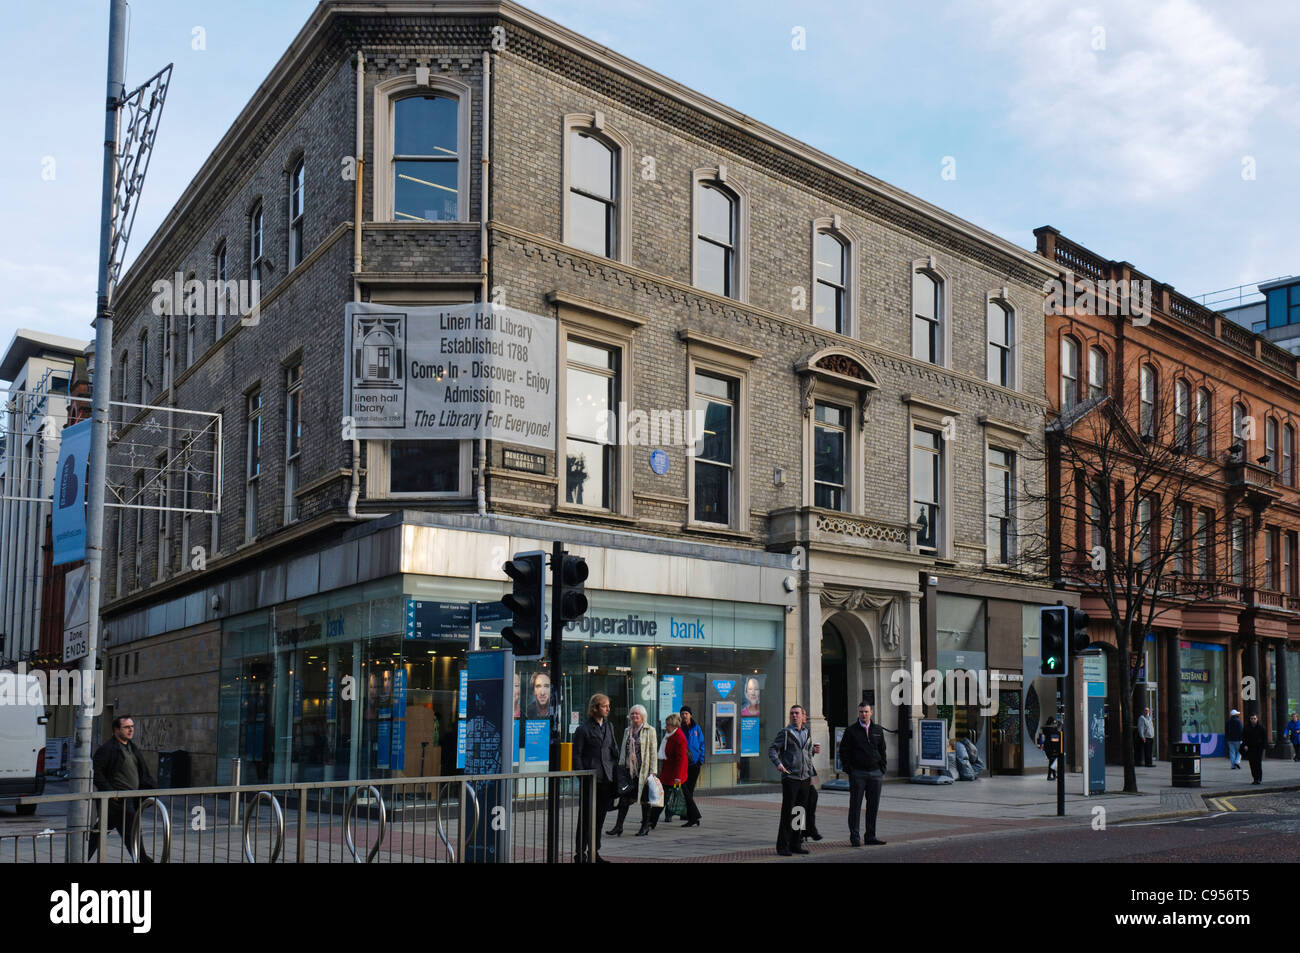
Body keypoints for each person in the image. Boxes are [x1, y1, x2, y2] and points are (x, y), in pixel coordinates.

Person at [88, 715, 156, 862]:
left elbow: (142, 770)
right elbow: (97, 772)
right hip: (118, 801)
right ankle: (143, 860)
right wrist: (111, 792)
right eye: (126, 727)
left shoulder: (132, 747)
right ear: (116, 730)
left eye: (132, 727)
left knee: (102, 833)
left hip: (129, 800)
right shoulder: (108, 749)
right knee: (130, 833)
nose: (131, 730)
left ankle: (79, 856)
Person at [573, 693, 618, 862]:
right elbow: (576, 755)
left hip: (606, 779)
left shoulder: (609, 726)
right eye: (604, 706)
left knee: (599, 818)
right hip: (590, 779)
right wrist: (582, 776)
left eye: (608, 706)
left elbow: (613, 748)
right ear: (595, 708)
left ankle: (594, 851)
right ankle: (580, 853)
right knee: (585, 818)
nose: (608, 709)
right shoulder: (583, 729)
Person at [768, 704, 818, 856]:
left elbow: (807, 754)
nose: (794, 716)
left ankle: (796, 843)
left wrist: (811, 764)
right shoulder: (785, 733)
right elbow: (772, 749)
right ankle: (782, 846)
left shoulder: (806, 732)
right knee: (788, 812)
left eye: (797, 713)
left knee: (800, 812)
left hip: (804, 778)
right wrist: (779, 764)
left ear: (803, 716)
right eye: (792, 713)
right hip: (791, 777)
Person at [838, 702, 888, 846]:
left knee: (873, 806)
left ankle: (870, 836)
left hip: (875, 773)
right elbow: (843, 751)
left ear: (871, 712)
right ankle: (854, 837)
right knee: (855, 806)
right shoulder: (851, 730)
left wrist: (882, 769)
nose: (863, 714)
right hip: (858, 774)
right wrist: (850, 770)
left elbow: (882, 750)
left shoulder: (878, 730)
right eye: (861, 712)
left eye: (866, 712)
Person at [608, 704, 658, 837]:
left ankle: (645, 826)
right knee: (624, 798)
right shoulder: (627, 730)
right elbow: (624, 750)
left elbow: (653, 752)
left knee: (645, 800)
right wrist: (620, 768)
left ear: (643, 716)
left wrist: (653, 771)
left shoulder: (650, 730)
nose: (635, 716)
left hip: (644, 771)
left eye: (637, 714)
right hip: (629, 771)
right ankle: (618, 826)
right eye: (633, 714)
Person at [649, 713, 689, 828]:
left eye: (668, 725)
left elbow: (681, 760)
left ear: (673, 725)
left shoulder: (679, 737)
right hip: (667, 772)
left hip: (673, 774)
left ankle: (652, 821)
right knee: (663, 797)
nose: (666, 727)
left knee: (661, 798)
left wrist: (678, 777)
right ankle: (695, 817)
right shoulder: (669, 735)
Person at [679, 706, 705, 827]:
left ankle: (691, 816)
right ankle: (689, 815)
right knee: (685, 790)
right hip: (683, 764)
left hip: (694, 763)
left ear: (690, 715)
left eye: (686, 713)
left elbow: (702, 744)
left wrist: (701, 760)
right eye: (682, 713)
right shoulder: (679, 728)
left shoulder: (696, 728)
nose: (684, 715)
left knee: (689, 790)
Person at [1240, 713, 1267, 784]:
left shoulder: (1261, 728)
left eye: (1254, 718)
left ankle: (1259, 778)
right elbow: (1243, 737)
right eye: (1251, 718)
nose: (1253, 720)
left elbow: (1265, 738)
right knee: (1252, 764)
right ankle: (1255, 778)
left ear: (1257, 719)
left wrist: (1264, 747)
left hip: (1258, 748)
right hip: (1250, 748)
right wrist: (1244, 745)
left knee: (1258, 764)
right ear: (1250, 719)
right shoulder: (1246, 728)